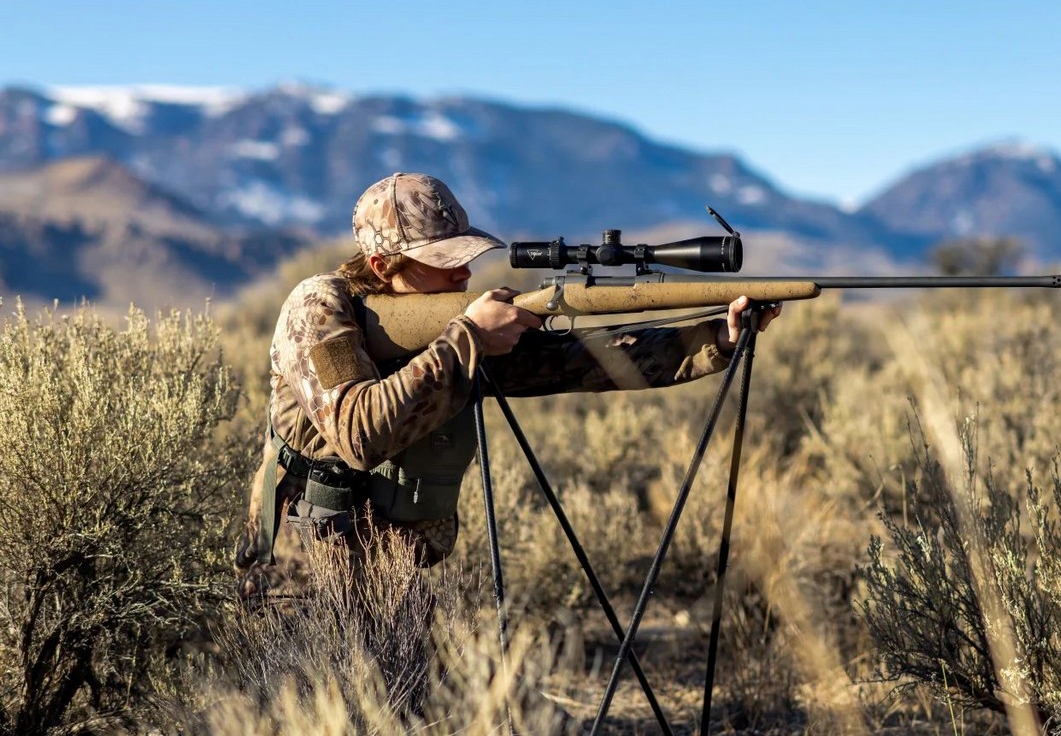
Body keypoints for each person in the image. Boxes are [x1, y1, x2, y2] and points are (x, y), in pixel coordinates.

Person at [234, 172, 779, 604]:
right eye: (444, 264)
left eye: (466, 260)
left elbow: (577, 363)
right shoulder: (319, 308)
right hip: (299, 579)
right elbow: (360, 433)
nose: (464, 277)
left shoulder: (443, 323)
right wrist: (469, 336)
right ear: (381, 265)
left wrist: (715, 337)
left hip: (391, 577)